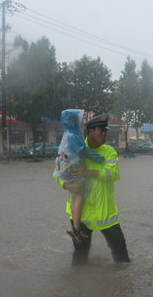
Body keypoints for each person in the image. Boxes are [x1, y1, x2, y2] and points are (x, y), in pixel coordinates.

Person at [55, 113, 130, 266]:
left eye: (106, 131)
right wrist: (68, 186)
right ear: (90, 132)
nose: (105, 134)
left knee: (122, 258)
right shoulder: (73, 149)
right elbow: (58, 174)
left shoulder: (109, 152)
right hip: (81, 216)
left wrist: (88, 172)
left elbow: (113, 173)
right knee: (80, 259)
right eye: (101, 130)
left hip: (106, 214)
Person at [54, 109, 105, 244]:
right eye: (78, 118)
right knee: (79, 194)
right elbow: (83, 151)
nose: (80, 121)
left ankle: (74, 228)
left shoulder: (67, 134)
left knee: (74, 194)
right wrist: (100, 158)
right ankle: (76, 229)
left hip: (63, 168)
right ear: (72, 120)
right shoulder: (72, 135)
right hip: (71, 168)